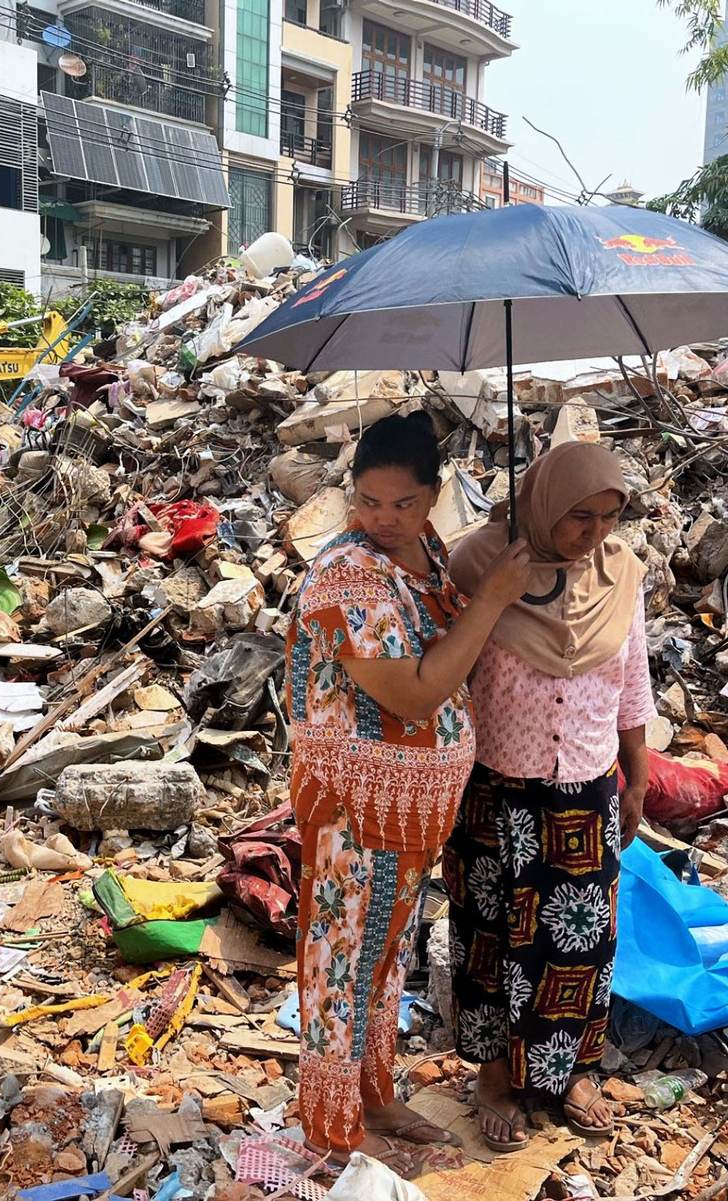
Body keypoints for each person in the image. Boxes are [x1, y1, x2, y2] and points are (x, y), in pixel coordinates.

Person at [289, 411, 531, 1174]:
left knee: (384, 957)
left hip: (411, 813)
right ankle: (332, 1128)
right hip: (355, 808)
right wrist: (493, 598)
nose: (383, 518)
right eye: (367, 500)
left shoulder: (424, 551)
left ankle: (376, 1095)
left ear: (433, 497)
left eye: (402, 502)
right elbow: (417, 692)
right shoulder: (348, 573)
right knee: (340, 959)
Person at [447, 441, 654, 1150]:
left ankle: (570, 1071)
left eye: (607, 517)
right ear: (542, 505)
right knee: (492, 935)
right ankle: (497, 1075)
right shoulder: (481, 563)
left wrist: (637, 779)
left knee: (579, 941)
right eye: (577, 517)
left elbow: (632, 682)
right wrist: (498, 594)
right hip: (496, 789)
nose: (593, 533)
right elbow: (447, 668)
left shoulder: (620, 574)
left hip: (586, 791)